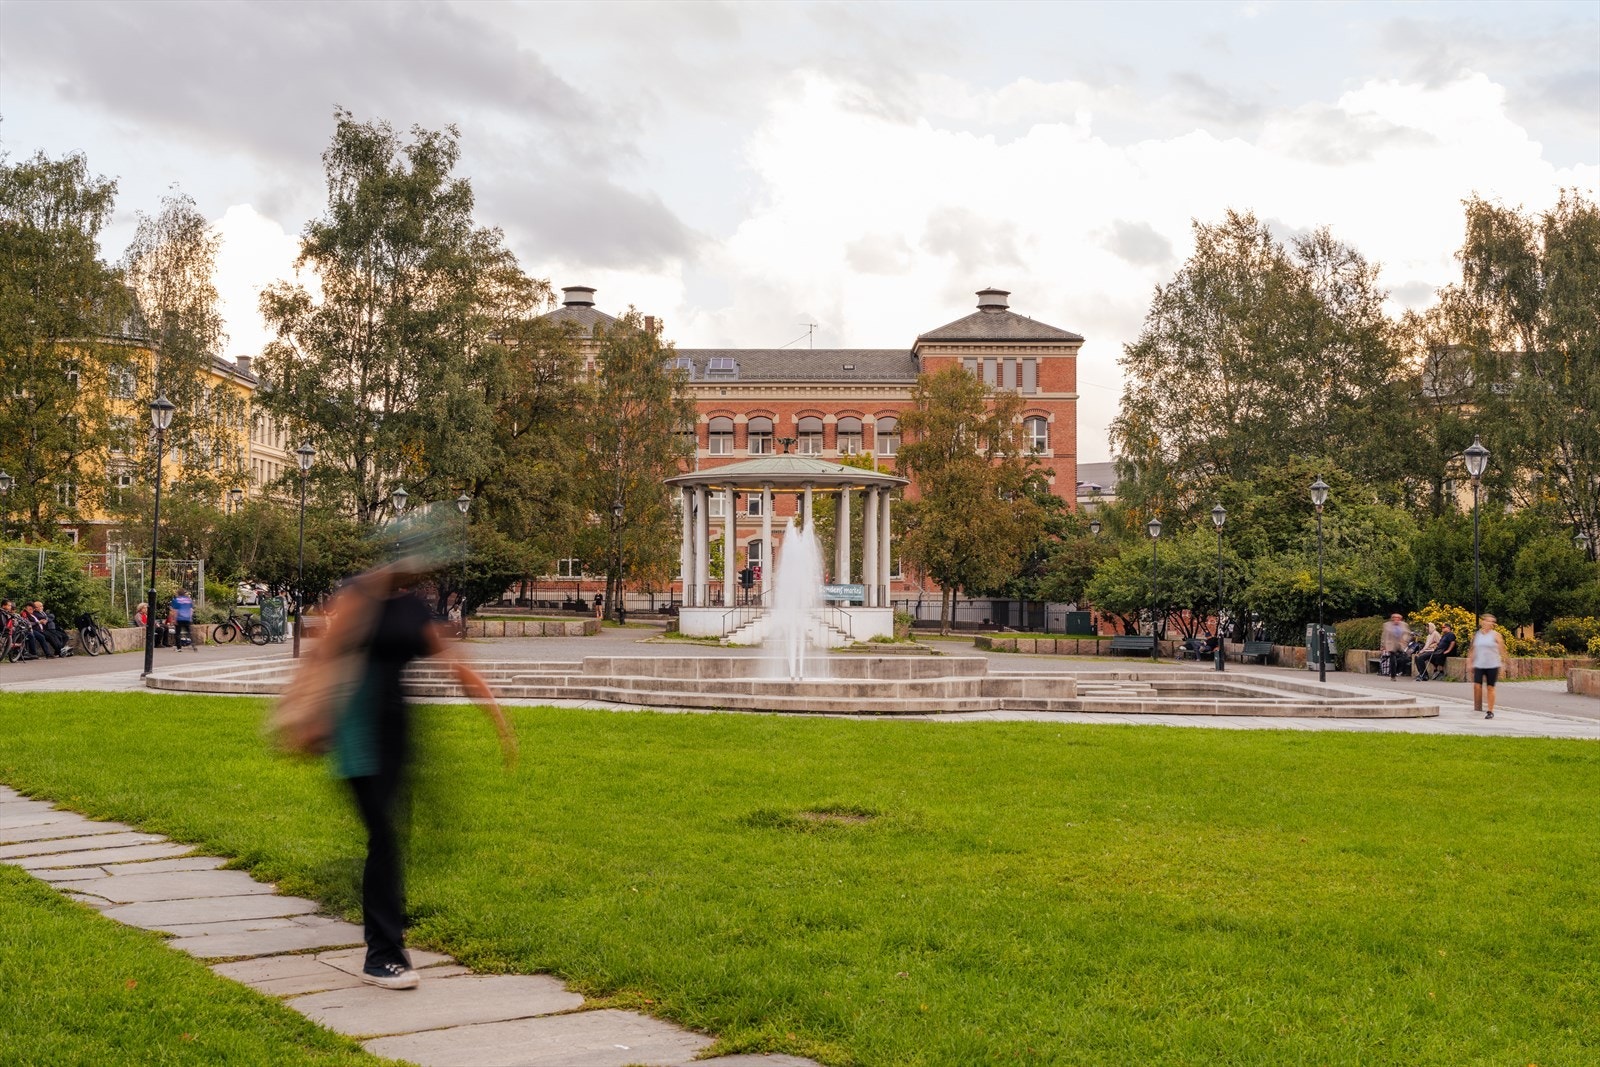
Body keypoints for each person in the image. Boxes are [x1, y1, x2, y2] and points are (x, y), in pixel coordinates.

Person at [323, 560, 516, 990]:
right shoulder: (357, 596)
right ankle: (382, 955)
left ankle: (387, 921)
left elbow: (454, 665)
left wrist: (497, 718)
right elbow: (324, 656)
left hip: (397, 736)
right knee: (386, 838)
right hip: (358, 736)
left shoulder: (411, 609)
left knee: (393, 838)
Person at [1471, 614, 1509, 719]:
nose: (1490, 623)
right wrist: (1470, 661)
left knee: (1490, 687)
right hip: (1479, 664)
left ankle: (1490, 710)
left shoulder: (1496, 635)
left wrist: (1504, 661)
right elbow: (1473, 649)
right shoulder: (1478, 635)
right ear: (1483, 622)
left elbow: (1502, 649)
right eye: (1488, 621)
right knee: (1477, 686)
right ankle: (1486, 699)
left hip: (1492, 664)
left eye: (1492, 621)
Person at [1380, 613, 1410, 679]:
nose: (1396, 619)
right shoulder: (1387, 625)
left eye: (1398, 618)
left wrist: (1404, 640)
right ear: (1392, 619)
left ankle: (1400, 671)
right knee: (1392, 659)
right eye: (1395, 618)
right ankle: (1393, 675)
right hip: (1391, 645)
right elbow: (1384, 636)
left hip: (1401, 645)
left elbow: (1407, 634)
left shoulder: (1404, 625)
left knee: (1403, 658)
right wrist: (1382, 646)